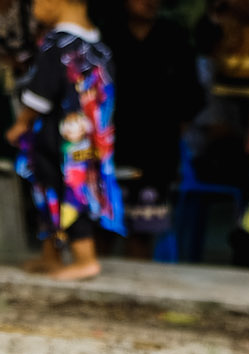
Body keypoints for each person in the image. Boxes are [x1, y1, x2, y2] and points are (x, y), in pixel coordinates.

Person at [10, 0, 124, 279]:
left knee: (68, 195)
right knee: (54, 193)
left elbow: (40, 94)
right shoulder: (99, 48)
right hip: (90, 141)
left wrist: (21, 123)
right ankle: (51, 256)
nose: (33, 7)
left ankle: (85, 259)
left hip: (58, 141)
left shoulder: (57, 45)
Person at [102, 0, 207, 228]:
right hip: (112, 145)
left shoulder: (173, 36)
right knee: (104, 226)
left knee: (145, 226)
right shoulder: (107, 36)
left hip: (158, 149)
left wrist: (175, 128)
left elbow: (192, 93)